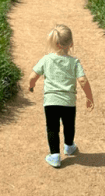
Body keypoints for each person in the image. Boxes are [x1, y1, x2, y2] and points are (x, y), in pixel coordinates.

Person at [28, 24, 94, 168]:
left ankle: (54, 156)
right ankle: (69, 146)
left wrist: (31, 85)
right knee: (69, 125)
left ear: (54, 44)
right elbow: (82, 80)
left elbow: (33, 76)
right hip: (69, 102)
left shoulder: (46, 59)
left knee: (52, 128)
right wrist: (89, 97)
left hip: (50, 102)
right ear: (71, 44)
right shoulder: (74, 62)